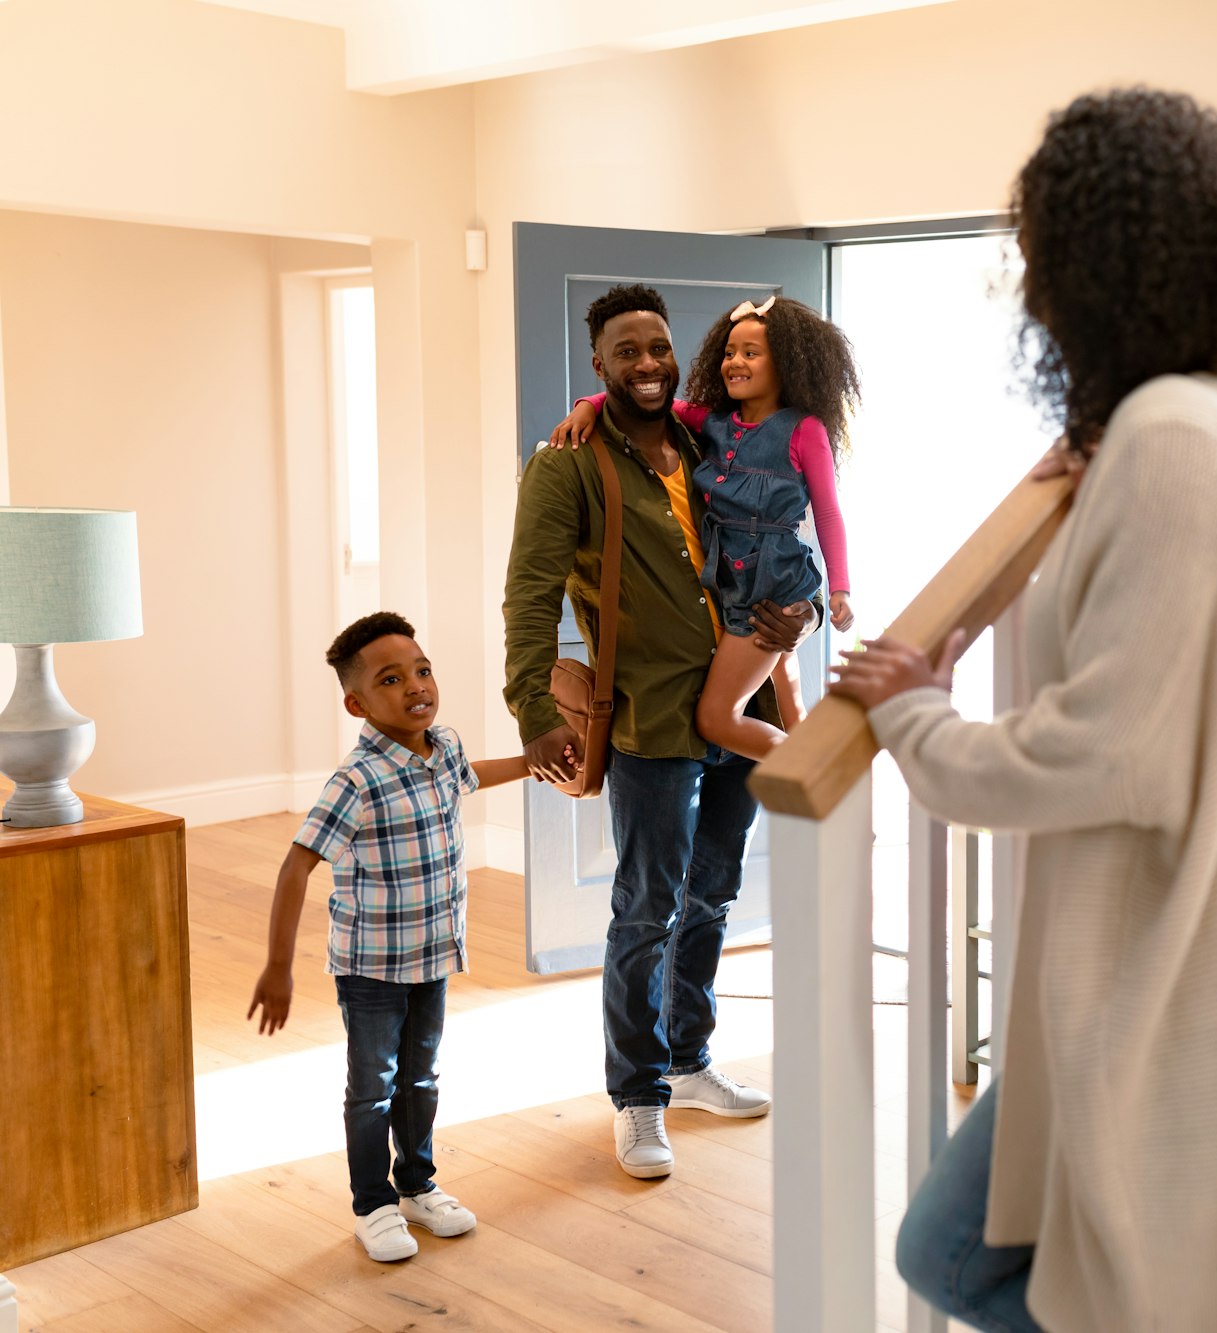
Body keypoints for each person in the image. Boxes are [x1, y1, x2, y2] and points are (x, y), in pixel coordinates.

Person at [829, 89, 1217, 1332]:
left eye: (1040, 259)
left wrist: (917, 717)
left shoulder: (1175, 439)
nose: (1032, 289)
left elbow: (1106, 754)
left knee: (965, 1258)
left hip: (1199, 1007)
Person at [502, 283, 820, 1180]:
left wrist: (788, 618)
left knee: (714, 894)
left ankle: (688, 1060)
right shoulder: (566, 464)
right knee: (647, 908)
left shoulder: (704, 438)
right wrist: (530, 707)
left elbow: (776, 525)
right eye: (626, 352)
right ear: (598, 365)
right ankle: (637, 1096)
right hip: (649, 717)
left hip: (737, 704)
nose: (647, 363)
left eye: (659, 348)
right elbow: (527, 595)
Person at [248, 612, 529, 1262]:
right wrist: (277, 967)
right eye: (392, 678)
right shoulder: (358, 779)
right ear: (357, 702)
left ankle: (418, 1185)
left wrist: (534, 759)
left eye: (422, 670)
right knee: (373, 1084)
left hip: (432, 954)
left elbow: (473, 774)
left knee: (422, 1078)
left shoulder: (445, 747)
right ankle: (372, 1203)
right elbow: (298, 863)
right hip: (371, 966)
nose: (416, 686)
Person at [547, 294, 860, 759]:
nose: (735, 362)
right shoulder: (712, 423)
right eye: (730, 352)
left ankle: (811, 769)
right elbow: (642, 400)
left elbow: (830, 513)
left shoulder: (804, 429)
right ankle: (816, 758)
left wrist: (840, 588)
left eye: (751, 353)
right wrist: (586, 406)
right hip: (728, 578)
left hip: (768, 586)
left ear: (787, 363)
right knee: (791, 706)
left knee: (717, 719)